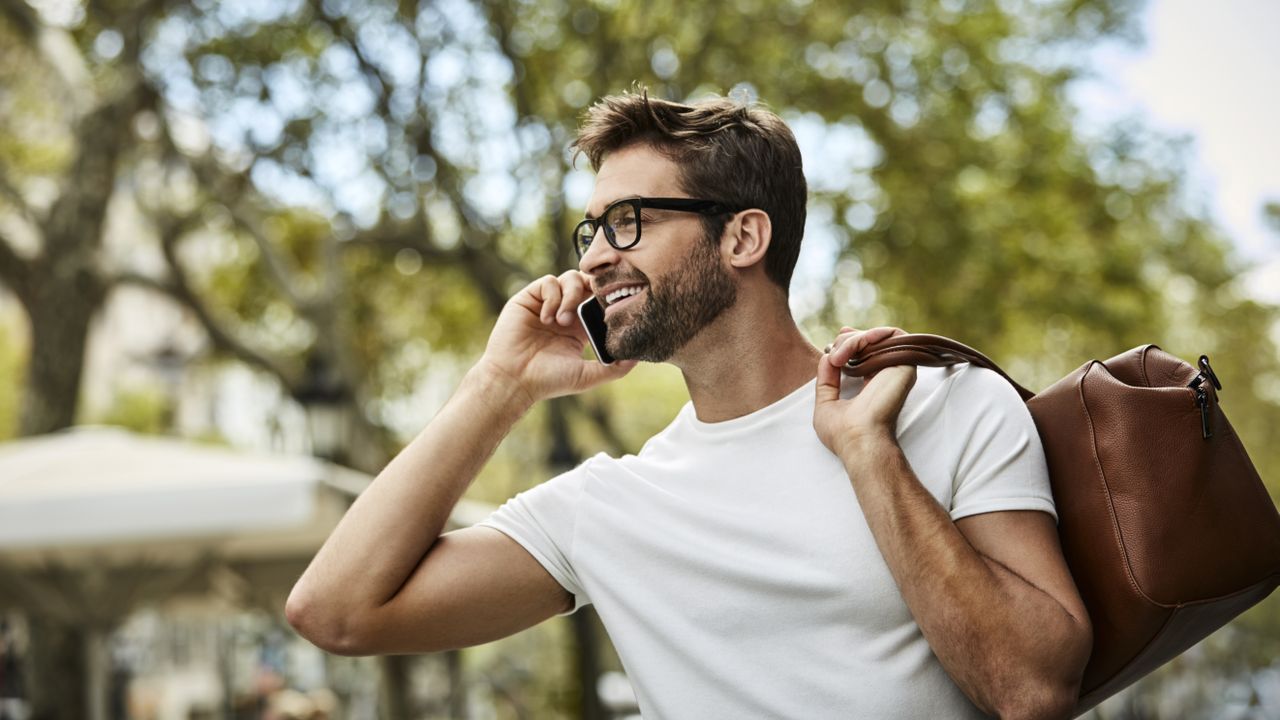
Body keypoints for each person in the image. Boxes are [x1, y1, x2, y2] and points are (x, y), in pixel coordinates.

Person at [287, 91, 1092, 719]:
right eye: (591, 230)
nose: (596, 258)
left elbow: (1032, 689)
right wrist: (501, 385)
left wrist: (870, 457)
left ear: (743, 238)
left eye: (629, 222)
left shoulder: (944, 404)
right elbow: (337, 611)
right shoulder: (607, 504)